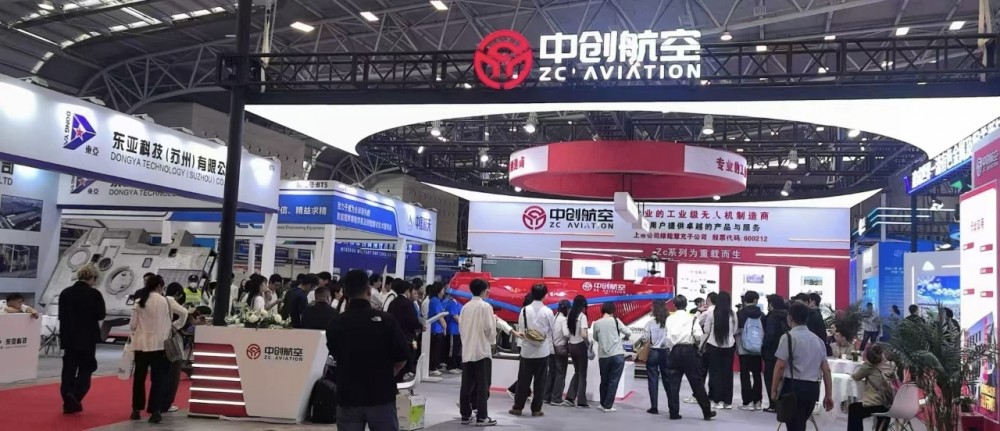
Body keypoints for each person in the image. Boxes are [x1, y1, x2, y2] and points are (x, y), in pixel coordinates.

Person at [326, 269, 409, 431]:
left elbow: (335, 353)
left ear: (346, 292)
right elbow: (402, 357)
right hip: (381, 395)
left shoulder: (336, 323)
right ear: (369, 291)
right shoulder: (386, 321)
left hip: (348, 396)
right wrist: (385, 375)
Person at [130, 275, 187, 423]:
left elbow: (132, 325)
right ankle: (155, 411)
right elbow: (184, 313)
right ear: (159, 287)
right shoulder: (167, 301)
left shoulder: (139, 301)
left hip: (141, 346)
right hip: (160, 346)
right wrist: (174, 326)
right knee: (158, 380)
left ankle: (136, 410)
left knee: (139, 379)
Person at [772, 302, 835, 431]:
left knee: (794, 425)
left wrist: (773, 390)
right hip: (812, 389)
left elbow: (780, 366)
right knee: (801, 423)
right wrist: (828, 394)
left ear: (790, 318)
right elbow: (826, 370)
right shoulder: (818, 340)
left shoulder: (788, 337)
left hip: (793, 387)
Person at [58, 264, 106, 414]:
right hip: (87, 337)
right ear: (92, 278)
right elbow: (101, 315)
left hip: (69, 337)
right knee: (87, 367)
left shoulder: (65, 293)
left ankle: (67, 395)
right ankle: (75, 393)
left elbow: (61, 316)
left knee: (69, 369)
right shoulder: (95, 294)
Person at [664, 295, 715, 420]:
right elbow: (698, 335)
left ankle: (673, 412)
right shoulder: (692, 318)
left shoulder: (669, 319)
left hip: (675, 351)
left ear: (674, 305)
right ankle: (706, 411)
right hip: (689, 351)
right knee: (696, 382)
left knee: (673, 383)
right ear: (686, 305)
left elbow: (667, 338)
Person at [458, 279, 500, 427]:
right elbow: (489, 328)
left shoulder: (465, 307)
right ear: (483, 290)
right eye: (487, 288)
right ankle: (482, 417)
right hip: (482, 351)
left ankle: (465, 415)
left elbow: (461, 328)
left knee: (466, 385)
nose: (488, 291)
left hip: (467, 351)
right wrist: (492, 341)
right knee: (483, 386)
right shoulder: (485, 306)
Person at [510, 284, 555, 417]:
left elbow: (521, 328)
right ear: (545, 295)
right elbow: (551, 330)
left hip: (526, 351)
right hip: (542, 351)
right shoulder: (548, 311)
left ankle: (518, 407)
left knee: (523, 381)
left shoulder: (524, 310)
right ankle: (536, 409)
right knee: (540, 382)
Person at [592, 301, 630, 412]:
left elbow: (595, 338)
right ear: (613, 310)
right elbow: (628, 332)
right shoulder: (616, 321)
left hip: (603, 356)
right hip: (617, 354)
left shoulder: (597, 323)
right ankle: (608, 406)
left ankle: (602, 404)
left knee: (604, 380)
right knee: (613, 381)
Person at [702, 291, 737, 410]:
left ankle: (717, 400)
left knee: (715, 373)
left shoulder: (712, 313)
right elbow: (735, 330)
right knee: (727, 373)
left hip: (713, 346)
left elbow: (706, 330)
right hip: (729, 346)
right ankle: (727, 401)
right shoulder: (732, 314)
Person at [847, 345, 895, 431]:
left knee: (853, 409)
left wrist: (851, 374)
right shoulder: (892, 365)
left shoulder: (870, 366)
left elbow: (856, 377)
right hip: (890, 404)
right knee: (883, 413)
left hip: (876, 404)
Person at [162, 281, 191, 413]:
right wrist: (175, 326)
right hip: (171, 339)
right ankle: (167, 403)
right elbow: (184, 313)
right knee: (173, 372)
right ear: (178, 294)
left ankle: (159, 402)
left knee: (162, 373)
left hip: (158, 340)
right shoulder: (171, 301)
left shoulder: (160, 300)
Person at [386, 279, 422, 381]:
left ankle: (398, 377)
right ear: (407, 290)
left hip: (395, 335)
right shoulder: (408, 303)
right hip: (409, 336)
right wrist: (420, 326)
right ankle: (406, 372)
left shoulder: (393, 303)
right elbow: (413, 320)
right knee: (411, 352)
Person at [761, 294, 790, 413]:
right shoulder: (787, 316)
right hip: (785, 350)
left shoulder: (772, 317)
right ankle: (782, 404)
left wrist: (764, 347)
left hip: (771, 352)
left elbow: (770, 335)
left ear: (771, 304)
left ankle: (773, 404)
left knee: (770, 378)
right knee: (782, 378)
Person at [736, 290, 764, 411]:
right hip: (757, 348)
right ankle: (758, 401)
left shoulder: (740, 314)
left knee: (745, 375)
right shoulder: (761, 314)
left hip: (744, 348)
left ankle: (747, 402)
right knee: (757, 374)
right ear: (755, 300)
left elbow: (736, 330)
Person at [643, 299, 672, 414]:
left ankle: (654, 407)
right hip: (666, 352)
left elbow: (645, 338)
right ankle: (672, 406)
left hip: (654, 352)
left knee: (652, 379)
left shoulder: (650, 322)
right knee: (668, 380)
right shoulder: (670, 322)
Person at [564, 295, 591, 408]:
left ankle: (570, 397)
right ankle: (581, 401)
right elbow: (584, 334)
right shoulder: (582, 316)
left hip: (571, 345)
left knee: (577, 372)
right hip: (580, 346)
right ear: (583, 304)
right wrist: (588, 344)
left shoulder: (570, 315)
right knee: (582, 374)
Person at [543, 299, 571, 405]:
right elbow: (566, 334)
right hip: (560, 349)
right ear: (566, 309)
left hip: (551, 349)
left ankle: (546, 396)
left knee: (551, 373)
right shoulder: (563, 319)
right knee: (560, 374)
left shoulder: (554, 317)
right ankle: (556, 398)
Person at [426, 282, 448, 376]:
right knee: (435, 350)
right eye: (443, 289)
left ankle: (435, 365)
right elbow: (439, 316)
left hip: (438, 329)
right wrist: (444, 327)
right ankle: (432, 367)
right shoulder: (434, 301)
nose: (444, 291)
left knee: (437, 349)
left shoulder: (437, 300)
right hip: (435, 329)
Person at [444, 291, 464, 374]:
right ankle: (450, 366)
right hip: (452, 329)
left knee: (457, 348)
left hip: (458, 330)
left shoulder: (459, 303)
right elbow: (455, 317)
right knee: (452, 349)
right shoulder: (451, 303)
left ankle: (456, 365)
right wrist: (465, 324)